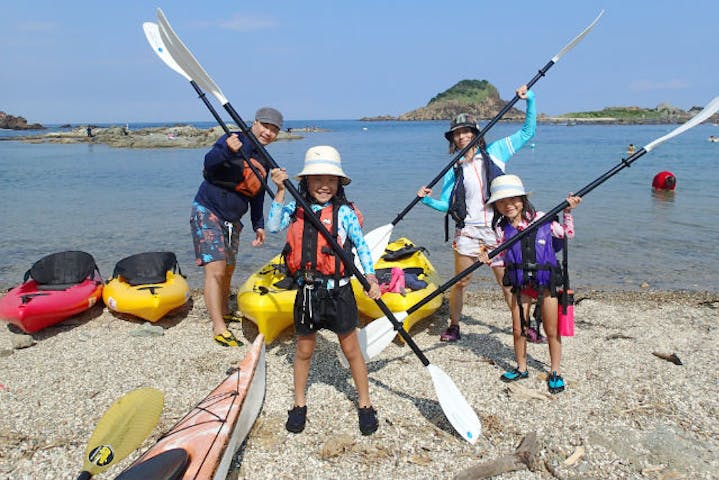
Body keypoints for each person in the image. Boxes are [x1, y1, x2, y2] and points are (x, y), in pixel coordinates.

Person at [267, 145, 381, 435]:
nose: (324, 185)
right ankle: (299, 403)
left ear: (339, 184)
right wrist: (279, 190)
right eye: (317, 179)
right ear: (306, 181)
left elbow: (361, 246)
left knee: (352, 350)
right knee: (304, 351)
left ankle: (365, 404)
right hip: (307, 292)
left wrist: (371, 278)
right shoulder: (295, 207)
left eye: (331, 180)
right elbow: (273, 225)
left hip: (339, 293)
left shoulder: (345, 213)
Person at [417, 84, 536, 342]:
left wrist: (531, 100)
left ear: (475, 133)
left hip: (497, 230)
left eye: (465, 132)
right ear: (452, 140)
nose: (461, 137)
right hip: (468, 231)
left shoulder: (496, 152)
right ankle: (454, 325)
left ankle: (523, 325)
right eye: (456, 134)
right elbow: (448, 206)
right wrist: (427, 201)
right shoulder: (453, 169)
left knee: (507, 283)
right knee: (460, 282)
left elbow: (528, 132)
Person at [478, 174, 581, 394]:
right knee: (518, 330)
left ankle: (555, 372)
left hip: (547, 283)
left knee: (551, 330)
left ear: (523, 199)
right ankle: (522, 367)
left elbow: (567, 234)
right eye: (502, 202)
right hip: (520, 285)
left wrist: (568, 212)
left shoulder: (542, 218)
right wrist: (487, 259)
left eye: (513, 199)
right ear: (496, 205)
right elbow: (501, 257)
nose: (508, 205)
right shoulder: (500, 229)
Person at [190, 107, 283, 347]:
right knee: (217, 270)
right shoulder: (233, 139)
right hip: (208, 209)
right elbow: (208, 165)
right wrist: (224, 150)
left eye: (274, 130)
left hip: (234, 220)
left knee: (229, 269)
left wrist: (258, 224)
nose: (268, 132)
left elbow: (257, 196)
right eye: (265, 126)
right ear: (255, 123)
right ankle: (218, 327)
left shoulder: (264, 159)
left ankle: (223, 309)